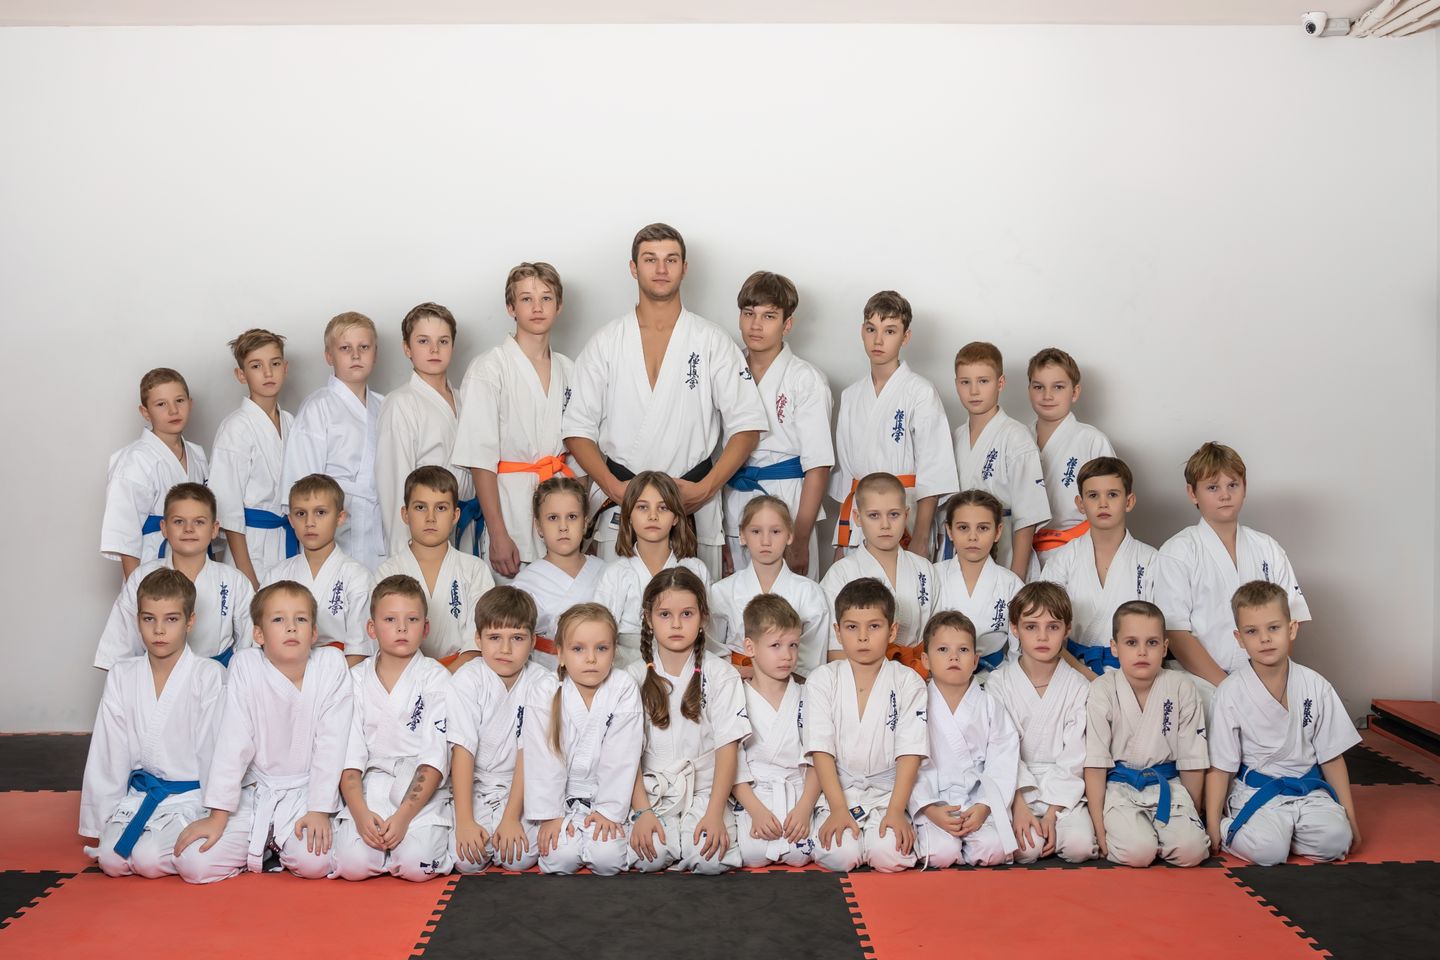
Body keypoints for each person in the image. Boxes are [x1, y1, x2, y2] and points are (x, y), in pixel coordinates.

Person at [563, 223, 767, 579]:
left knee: (694, 606)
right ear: (633, 267)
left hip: (693, 501)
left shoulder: (711, 340)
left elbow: (747, 426)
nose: (661, 269)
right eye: (650, 259)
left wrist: (706, 488)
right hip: (623, 501)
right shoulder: (606, 342)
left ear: (684, 268)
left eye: (671, 259)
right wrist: (613, 487)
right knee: (619, 604)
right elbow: (576, 429)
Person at [173, 581, 354, 882]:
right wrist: (218, 816)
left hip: (307, 794)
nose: (291, 627)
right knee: (194, 863)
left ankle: (274, 846)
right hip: (256, 792)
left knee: (314, 862)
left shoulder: (331, 665)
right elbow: (233, 743)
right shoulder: (246, 666)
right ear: (258, 634)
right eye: (278, 619)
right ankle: (265, 843)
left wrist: (320, 810)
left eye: (301, 619)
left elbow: (332, 743)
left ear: (314, 633)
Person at [80, 569, 224, 878]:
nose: (159, 630)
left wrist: (216, 812)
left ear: (190, 621)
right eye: (149, 619)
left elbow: (215, 751)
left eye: (171, 619)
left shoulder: (208, 675)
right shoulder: (122, 674)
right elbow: (109, 751)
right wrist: (101, 819)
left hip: (190, 799)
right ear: (137, 620)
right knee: (111, 859)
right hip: (141, 796)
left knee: (147, 859)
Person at [1206, 581, 1360, 866]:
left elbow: (1332, 757)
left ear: (1292, 629)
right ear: (1239, 638)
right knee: (1268, 852)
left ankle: (1287, 832)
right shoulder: (1230, 692)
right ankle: (1238, 828)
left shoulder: (1316, 685)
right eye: (1252, 631)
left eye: (1273, 628)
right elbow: (1221, 766)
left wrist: (1350, 818)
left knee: (1337, 841)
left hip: (1308, 791)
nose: (1264, 639)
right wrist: (1213, 823)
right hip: (1256, 792)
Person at [1154, 442, 1310, 706]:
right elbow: (1176, 631)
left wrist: (1268, 678)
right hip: (1200, 682)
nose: (1225, 495)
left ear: (1244, 488)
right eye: (1213, 487)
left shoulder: (1268, 547)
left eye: (1233, 485)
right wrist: (1229, 687)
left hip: (1264, 678)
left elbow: (1291, 619)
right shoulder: (1177, 551)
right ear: (1192, 493)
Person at [453, 263, 580, 580]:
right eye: (526, 299)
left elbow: (579, 451)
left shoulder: (569, 369)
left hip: (562, 513)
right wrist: (498, 533)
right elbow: (480, 459)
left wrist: (580, 522)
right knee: (513, 606)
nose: (537, 308)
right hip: (510, 513)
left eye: (546, 298)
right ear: (511, 308)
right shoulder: (489, 368)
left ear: (559, 306)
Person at [626, 567, 748, 873]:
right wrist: (642, 812)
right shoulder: (632, 677)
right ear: (648, 619)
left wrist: (715, 813)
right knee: (649, 857)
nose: (676, 624)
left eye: (687, 614)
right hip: (652, 792)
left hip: (707, 792)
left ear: (703, 617)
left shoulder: (721, 674)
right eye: (664, 614)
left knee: (709, 860)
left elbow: (727, 749)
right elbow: (625, 754)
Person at [333, 575, 453, 882]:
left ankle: (408, 842)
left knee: (417, 865)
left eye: (412, 619)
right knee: (353, 865)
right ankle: (376, 846)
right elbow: (349, 757)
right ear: (372, 628)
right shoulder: (355, 679)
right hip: (369, 788)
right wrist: (360, 814)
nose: (402, 628)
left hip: (419, 790)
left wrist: (402, 818)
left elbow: (434, 758)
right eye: (390, 619)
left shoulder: (436, 678)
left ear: (425, 628)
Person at [806, 578, 928, 872]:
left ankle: (885, 828)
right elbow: (821, 750)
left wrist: (896, 811)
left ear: (892, 631)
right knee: (840, 855)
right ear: (837, 631)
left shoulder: (908, 681)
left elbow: (910, 751)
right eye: (852, 627)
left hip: (888, 795)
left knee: (891, 855)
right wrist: (838, 809)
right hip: (839, 791)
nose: (863, 637)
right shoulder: (822, 679)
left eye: (874, 626)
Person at [721, 270, 833, 578]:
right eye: (749, 313)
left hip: (788, 501)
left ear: (787, 324)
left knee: (791, 599)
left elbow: (818, 465)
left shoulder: (806, 379)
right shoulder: (725, 371)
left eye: (769, 316)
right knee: (735, 597)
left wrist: (801, 536)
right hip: (734, 500)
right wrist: (717, 531)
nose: (756, 325)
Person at [831, 290, 957, 559]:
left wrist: (920, 538)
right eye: (871, 329)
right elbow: (847, 480)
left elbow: (934, 471)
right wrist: (842, 541)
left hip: (904, 515)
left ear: (905, 337)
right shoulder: (851, 395)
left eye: (890, 331)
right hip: (859, 517)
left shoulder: (920, 392)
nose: (878, 340)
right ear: (862, 331)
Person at [1084, 600, 1210, 868]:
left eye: (1152, 643)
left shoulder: (1181, 687)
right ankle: (1147, 839)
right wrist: (1099, 829)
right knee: (1137, 852)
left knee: (1193, 851)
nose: (1142, 651)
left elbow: (1192, 760)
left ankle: (1167, 837)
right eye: (1131, 643)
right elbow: (1095, 763)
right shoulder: (1102, 689)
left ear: (1164, 647)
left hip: (1169, 785)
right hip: (1119, 788)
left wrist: (1193, 813)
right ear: (1114, 647)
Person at [523, 604, 644, 876]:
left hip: (607, 795)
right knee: (559, 859)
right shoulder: (544, 690)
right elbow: (542, 758)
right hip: (560, 798)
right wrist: (551, 815)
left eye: (601, 648)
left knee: (608, 860)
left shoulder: (623, 687)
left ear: (614, 651)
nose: (591, 658)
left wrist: (609, 812)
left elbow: (622, 756)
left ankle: (609, 823)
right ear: (560, 654)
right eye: (578, 649)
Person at [984, 582, 1099, 863]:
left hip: (1063, 789)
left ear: (1067, 629)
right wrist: (1018, 805)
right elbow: (1000, 749)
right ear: (1014, 629)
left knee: (1080, 847)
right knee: (1027, 849)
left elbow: (1076, 754)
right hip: (1014, 785)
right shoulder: (998, 683)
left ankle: (1056, 816)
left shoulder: (1078, 686)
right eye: (1031, 626)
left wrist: (1052, 812)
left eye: (1053, 627)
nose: (1042, 636)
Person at [95, 483, 254, 670]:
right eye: (179, 521)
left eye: (199, 522)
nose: (188, 529)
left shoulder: (234, 581)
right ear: (164, 527)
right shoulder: (141, 577)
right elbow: (120, 646)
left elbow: (249, 648)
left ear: (214, 529)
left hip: (218, 679)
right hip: (157, 676)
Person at [449, 586, 550, 873]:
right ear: (478, 639)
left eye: (517, 638)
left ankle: (508, 819)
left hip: (522, 787)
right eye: (494, 638)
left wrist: (511, 818)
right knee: (467, 861)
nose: (505, 649)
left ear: (533, 641)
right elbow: (462, 749)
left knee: (518, 858)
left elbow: (530, 753)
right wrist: (465, 821)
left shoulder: (543, 682)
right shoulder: (467, 679)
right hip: (475, 785)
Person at [910, 611, 1020, 868]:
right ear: (925, 660)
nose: (954, 657)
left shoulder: (989, 705)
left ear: (975, 660)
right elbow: (907, 762)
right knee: (941, 854)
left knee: (993, 850)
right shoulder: (916, 705)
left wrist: (984, 805)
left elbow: (1003, 758)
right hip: (934, 801)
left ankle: (974, 835)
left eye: (963, 650)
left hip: (976, 801)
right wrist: (929, 808)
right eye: (943, 649)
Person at [1036, 457, 1157, 679]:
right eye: (1093, 496)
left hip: (1134, 671)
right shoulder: (1063, 559)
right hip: (1071, 669)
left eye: (1112, 494)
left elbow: (1158, 633)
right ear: (1080, 504)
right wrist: (1086, 675)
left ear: (1129, 501)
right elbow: (1044, 626)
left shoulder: (1151, 560)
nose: (1103, 504)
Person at [282, 312, 385, 570]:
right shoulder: (317, 407)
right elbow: (303, 484)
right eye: (345, 348)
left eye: (364, 347)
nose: (356, 355)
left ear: (375, 353)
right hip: (332, 526)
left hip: (378, 524)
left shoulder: (385, 406)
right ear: (329, 356)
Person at [376, 302, 477, 559]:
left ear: (453, 345)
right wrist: (402, 557)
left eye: (443, 341)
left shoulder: (466, 399)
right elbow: (394, 485)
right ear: (407, 348)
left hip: (466, 521)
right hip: (425, 527)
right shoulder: (400, 403)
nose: (434, 349)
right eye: (423, 341)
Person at [730, 595, 821, 867]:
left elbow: (819, 758)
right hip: (754, 795)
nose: (787, 655)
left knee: (801, 853)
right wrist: (756, 811)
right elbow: (730, 762)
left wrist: (804, 808)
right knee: (752, 853)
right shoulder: (736, 697)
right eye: (776, 645)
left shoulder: (807, 695)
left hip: (799, 793)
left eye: (793, 645)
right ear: (750, 647)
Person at [376, 466, 495, 667]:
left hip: (462, 674)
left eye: (441, 508)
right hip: (405, 674)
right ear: (405, 514)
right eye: (420, 507)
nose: (430, 517)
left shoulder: (475, 570)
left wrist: (443, 678)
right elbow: (382, 639)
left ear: (455, 515)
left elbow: (480, 640)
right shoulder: (387, 572)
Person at [101, 367, 210, 582]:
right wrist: (137, 590)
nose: (173, 410)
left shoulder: (197, 454)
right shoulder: (134, 460)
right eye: (161, 404)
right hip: (152, 566)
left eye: (179, 401)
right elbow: (125, 536)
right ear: (145, 412)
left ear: (190, 403)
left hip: (196, 562)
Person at [821, 473, 938, 667]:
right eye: (874, 515)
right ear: (858, 518)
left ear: (906, 515)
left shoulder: (924, 568)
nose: (885, 525)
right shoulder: (840, 574)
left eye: (894, 514)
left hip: (919, 672)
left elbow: (939, 635)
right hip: (861, 674)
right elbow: (834, 650)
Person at [951, 342, 1047, 577]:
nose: (974, 391)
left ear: (1000, 383)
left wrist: (1017, 576)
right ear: (956, 384)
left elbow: (1027, 516)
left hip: (1005, 551)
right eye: (965, 382)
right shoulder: (955, 437)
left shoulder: (1016, 437)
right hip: (959, 550)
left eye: (983, 381)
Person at [592, 471, 710, 662]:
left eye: (663, 508)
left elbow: (707, 632)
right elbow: (598, 633)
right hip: (627, 664)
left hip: (685, 664)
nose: (653, 516)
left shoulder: (696, 569)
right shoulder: (615, 573)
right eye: (642, 507)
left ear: (676, 517)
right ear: (628, 516)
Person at [708, 496, 830, 677]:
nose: (766, 541)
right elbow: (712, 654)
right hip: (735, 683)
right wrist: (746, 672)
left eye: (776, 531)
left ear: (790, 535)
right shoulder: (721, 591)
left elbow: (812, 662)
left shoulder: (809, 592)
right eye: (756, 531)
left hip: (793, 685)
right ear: (742, 535)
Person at [209, 328, 295, 586]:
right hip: (250, 547)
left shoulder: (291, 421)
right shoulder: (235, 428)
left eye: (275, 364)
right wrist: (248, 578)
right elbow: (228, 510)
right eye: (256, 366)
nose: (268, 373)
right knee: (254, 609)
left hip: (288, 540)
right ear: (241, 374)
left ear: (285, 368)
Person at [263, 474, 375, 665]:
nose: (310, 523)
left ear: (340, 517)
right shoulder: (276, 575)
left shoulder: (357, 576)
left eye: (320, 512)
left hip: (339, 672)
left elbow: (360, 651)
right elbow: (262, 639)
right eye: (301, 514)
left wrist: (325, 682)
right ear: (291, 520)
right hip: (283, 671)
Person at [1028, 348, 1115, 567]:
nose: (1047, 396)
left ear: (1075, 392)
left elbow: (1113, 504)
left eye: (1058, 387)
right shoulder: (1018, 439)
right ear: (1029, 390)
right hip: (1026, 549)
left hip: (1079, 550)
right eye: (1038, 387)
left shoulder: (1092, 440)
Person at [510, 476, 607, 669]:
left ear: (585, 523)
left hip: (602, 672)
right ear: (539, 526)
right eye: (553, 518)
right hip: (548, 675)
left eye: (572, 517)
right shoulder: (525, 584)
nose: (563, 527)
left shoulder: (607, 572)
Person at [932, 490, 1025, 680]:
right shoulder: (933, 576)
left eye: (983, 528)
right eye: (963, 527)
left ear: (998, 531)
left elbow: (1019, 647)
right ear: (949, 530)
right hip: (940, 676)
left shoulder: (1011, 584)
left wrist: (1011, 682)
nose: (972, 537)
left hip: (996, 676)